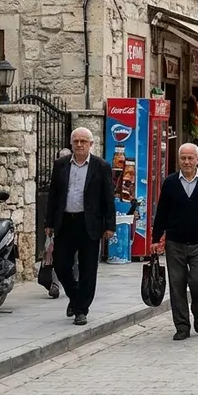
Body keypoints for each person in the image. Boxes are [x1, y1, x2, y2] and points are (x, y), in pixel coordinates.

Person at [151, 143, 198, 341]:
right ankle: (182, 326)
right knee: (177, 284)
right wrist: (155, 238)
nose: (186, 162)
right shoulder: (170, 183)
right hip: (175, 242)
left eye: (190, 158)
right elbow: (162, 212)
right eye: (183, 158)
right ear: (179, 160)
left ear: (197, 160)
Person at [44, 127, 114, 326]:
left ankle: (81, 310)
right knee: (61, 264)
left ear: (91, 145)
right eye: (76, 141)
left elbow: (108, 197)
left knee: (88, 268)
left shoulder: (101, 166)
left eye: (84, 141)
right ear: (71, 144)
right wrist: (49, 222)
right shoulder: (61, 165)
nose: (80, 145)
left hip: (89, 223)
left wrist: (110, 225)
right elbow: (53, 195)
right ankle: (75, 297)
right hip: (65, 221)